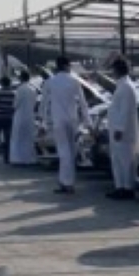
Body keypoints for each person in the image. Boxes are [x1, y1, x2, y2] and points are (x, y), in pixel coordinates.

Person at [42, 56, 89, 195]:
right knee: (71, 152)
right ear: (67, 66)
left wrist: (42, 123)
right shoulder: (75, 80)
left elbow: (44, 104)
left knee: (63, 152)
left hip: (58, 120)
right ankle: (67, 182)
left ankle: (66, 183)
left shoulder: (50, 82)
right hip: (73, 120)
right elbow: (83, 103)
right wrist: (88, 123)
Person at [106, 55, 139, 199]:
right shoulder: (122, 85)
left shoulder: (126, 87)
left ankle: (127, 188)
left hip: (123, 131)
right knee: (118, 159)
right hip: (117, 129)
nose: (112, 73)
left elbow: (126, 110)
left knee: (126, 160)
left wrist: (120, 128)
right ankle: (120, 186)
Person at [9, 69, 38, 165]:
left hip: (20, 115)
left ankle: (17, 159)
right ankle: (29, 158)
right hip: (30, 115)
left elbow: (15, 104)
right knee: (29, 137)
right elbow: (34, 103)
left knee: (17, 137)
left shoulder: (20, 89)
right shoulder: (33, 89)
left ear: (21, 78)